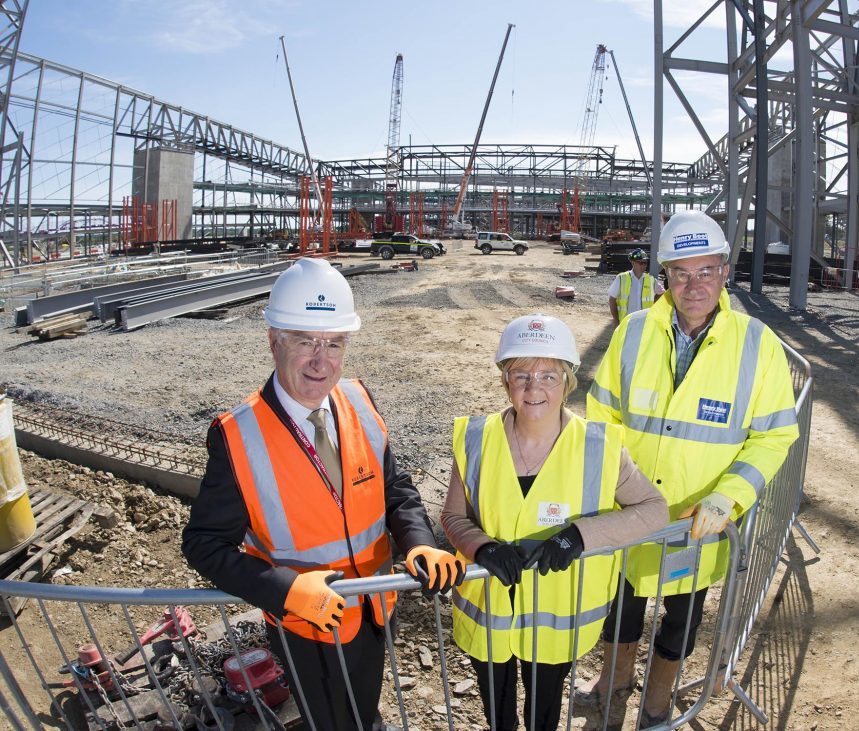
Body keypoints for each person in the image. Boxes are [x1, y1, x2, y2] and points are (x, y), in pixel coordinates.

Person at [182, 258, 464, 731]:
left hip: (375, 606)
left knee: (362, 706)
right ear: (274, 341)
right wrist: (286, 589)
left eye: (333, 343)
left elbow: (395, 489)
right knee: (330, 721)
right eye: (305, 341)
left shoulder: (358, 400)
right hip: (307, 625)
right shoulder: (237, 435)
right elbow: (204, 545)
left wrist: (420, 542)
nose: (321, 360)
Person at [579, 211, 799, 725]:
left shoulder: (756, 343)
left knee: (682, 616)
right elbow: (602, 414)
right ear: (665, 277)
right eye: (681, 273)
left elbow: (774, 434)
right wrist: (616, 480)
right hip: (630, 512)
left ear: (725, 272)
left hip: (699, 520)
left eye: (705, 271)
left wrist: (729, 498)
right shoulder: (633, 332)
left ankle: (657, 700)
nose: (693, 285)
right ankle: (615, 683)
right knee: (622, 606)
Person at [441, 314, 667, 731]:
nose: (533, 387)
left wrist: (578, 538)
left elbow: (654, 509)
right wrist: (482, 547)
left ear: (567, 381)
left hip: (557, 618)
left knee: (543, 712)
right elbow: (454, 515)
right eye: (520, 374)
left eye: (548, 374)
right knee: (498, 709)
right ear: (504, 380)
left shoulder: (599, 446)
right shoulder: (475, 438)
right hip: (489, 613)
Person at [607, 247, 664, 324]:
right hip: (626, 322)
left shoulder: (651, 280)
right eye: (641, 263)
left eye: (645, 263)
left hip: (644, 323)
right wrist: (616, 321)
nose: (644, 265)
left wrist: (654, 305)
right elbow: (612, 299)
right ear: (633, 262)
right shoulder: (621, 278)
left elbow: (662, 293)